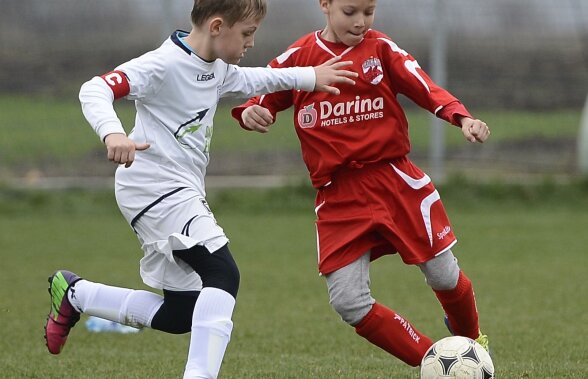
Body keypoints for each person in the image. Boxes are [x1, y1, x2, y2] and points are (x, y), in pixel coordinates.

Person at [43, 1, 357, 378]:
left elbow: (256, 80)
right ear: (218, 26)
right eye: (247, 33)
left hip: (169, 191)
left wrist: (309, 76)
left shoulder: (217, 69)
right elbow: (94, 89)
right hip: (154, 187)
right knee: (223, 274)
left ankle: (76, 294)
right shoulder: (163, 64)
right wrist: (112, 132)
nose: (251, 43)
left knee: (181, 314)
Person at [232, 0, 490, 368]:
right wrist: (252, 111)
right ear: (325, 5)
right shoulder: (300, 55)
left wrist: (461, 118)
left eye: (368, 11)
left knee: (443, 274)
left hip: (393, 181)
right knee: (348, 301)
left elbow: (425, 87)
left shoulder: (381, 49)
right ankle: (438, 363)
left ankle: (473, 345)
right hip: (338, 195)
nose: (361, 21)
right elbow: (263, 91)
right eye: (350, 11)